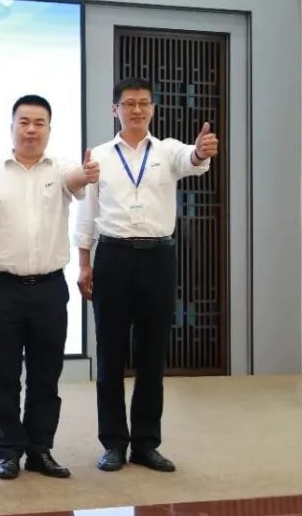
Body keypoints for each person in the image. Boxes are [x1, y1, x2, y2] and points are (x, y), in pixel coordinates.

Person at [75, 77, 218, 473]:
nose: (136, 110)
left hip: (158, 257)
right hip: (113, 256)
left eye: (143, 103)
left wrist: (200, 151)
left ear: (153, 108)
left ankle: (146, 443)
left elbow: (192, 161)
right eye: (128, 103)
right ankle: (113, 443)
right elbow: (87, 214)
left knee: (152, 355)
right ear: (115, 110)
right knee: (110, 354)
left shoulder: (167, 150)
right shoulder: (99, 156)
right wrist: (84, 263)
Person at [0, 94, 98, 480]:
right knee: (4, 376)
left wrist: (86, 173)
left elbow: (75, 181)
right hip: (1, 288)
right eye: (24, 122)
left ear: (49, 129)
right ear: (12, 126)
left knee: (46, 375)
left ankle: (40, 449)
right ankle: (9, 451)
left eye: (39, 123)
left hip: (49, 288)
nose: (31, 130)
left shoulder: (60, 168)